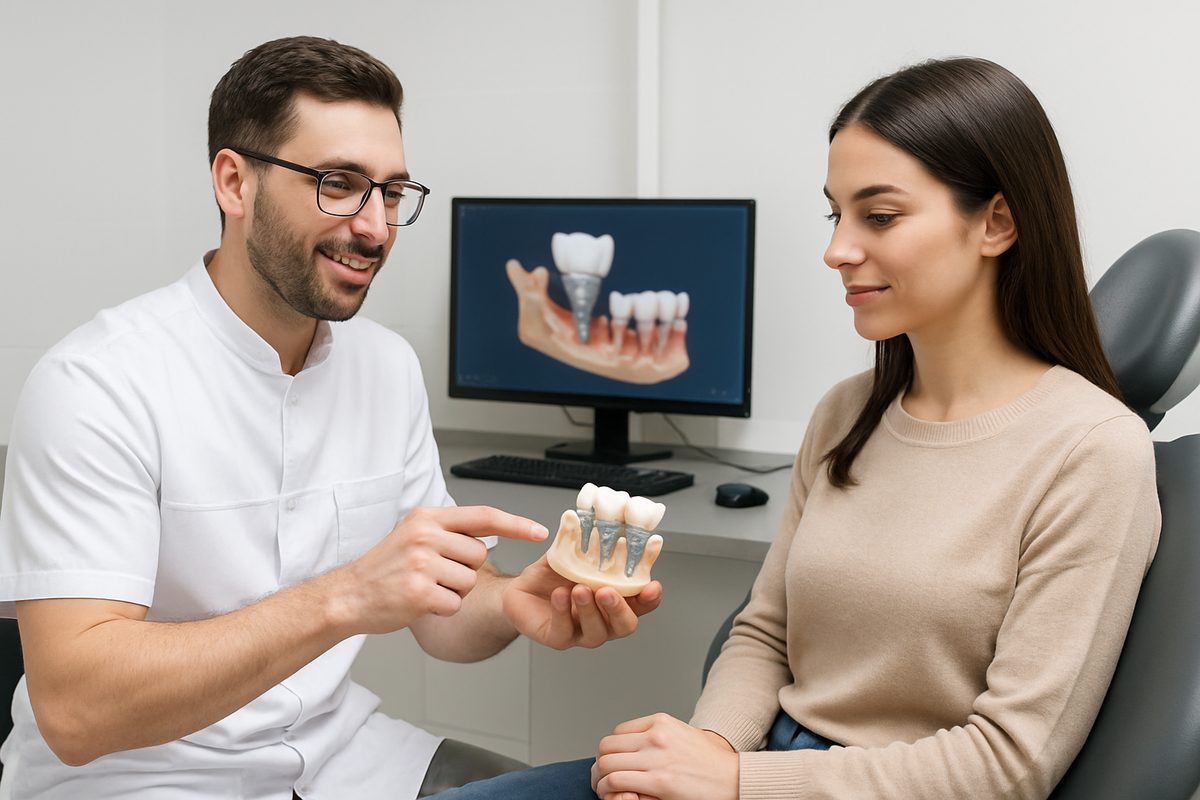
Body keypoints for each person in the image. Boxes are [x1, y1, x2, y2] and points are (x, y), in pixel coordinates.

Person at [429, 56, 1161, 800]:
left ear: (997, 222)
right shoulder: (848, 413)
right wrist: (702, 754)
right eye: (834, 214)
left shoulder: (1093, 449)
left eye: (878, 216)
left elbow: (1010, 764)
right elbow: (763, 632)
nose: (837, 249)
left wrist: (739, 779)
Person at [0, 36, 661, 800]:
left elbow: (444, 616)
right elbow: (77, 712)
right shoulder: (97, 384)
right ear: (233, 182)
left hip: (344, 760)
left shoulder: (384, 367)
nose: (375, 227)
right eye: (339, 184)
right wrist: (345, 596)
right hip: (142, 778)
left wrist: (511, 601)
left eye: (391, 192)